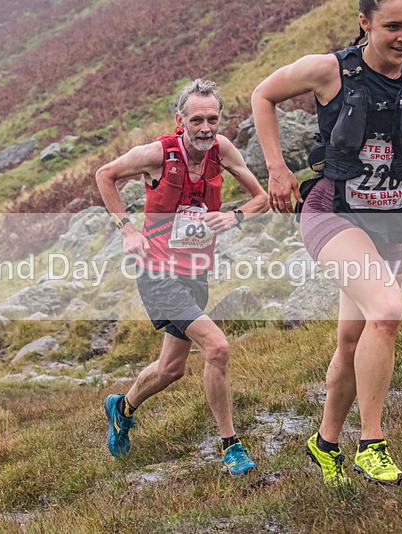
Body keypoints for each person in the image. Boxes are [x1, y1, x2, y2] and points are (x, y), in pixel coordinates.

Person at [252, 0, 402, 487]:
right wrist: (277, 169)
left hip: (389, 219)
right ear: (364, 22)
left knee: (353, 340)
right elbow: (263, 95)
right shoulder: (329, 70)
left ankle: (323, 444)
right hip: (331, 211)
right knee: (387, 311)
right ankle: (372, 444)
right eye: (392, 26)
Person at [96, 79, 269, 476]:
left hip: (195, 272)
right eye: (197, 120)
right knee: (218, 347)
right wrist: (126, 228)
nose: (206, 127)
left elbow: (261, 198)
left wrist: (234, 215)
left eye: (212, 119)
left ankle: (121, 409)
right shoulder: (158, 153)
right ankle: (231, 446)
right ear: (180, 120)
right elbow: (105, 175)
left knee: (171, 369)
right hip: (157, 271)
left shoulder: (222, 150)